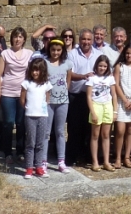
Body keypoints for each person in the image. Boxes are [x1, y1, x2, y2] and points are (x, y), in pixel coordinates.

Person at [0, 26, 33, 165]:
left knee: (21, 123)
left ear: (24, 39)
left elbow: (32, 73)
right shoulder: (5, 54)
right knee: (9, 123)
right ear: (11, 39)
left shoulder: (29, 54)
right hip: (8, 93)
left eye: (20, 37)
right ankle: (7, 152)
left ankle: (20, 151)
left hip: (23, 92)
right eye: (15, 36)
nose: (18, 39)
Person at [65, 29, 102, 165]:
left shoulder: (99, 54)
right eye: (83, 39)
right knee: (74, 128)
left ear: (92, 41)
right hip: (76, 95)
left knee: (90, 128)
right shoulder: (72, 54)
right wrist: (84, 76)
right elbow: (69, 74)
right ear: (79, 40)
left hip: (93, 97)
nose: (86, 42)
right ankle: (71, 157)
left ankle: (88, 157)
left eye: (89, 39)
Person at [20, 58, 52, 179]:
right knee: (30, 143)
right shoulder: (26, 83)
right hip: (30, 116)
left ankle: (39, 167)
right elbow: (22, 99)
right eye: (33, 70)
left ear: (42, 71)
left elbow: (47, 99)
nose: (35, 73)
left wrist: (42, 108)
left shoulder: (46, 84)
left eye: (38, 70)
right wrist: (28, 109)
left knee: (40, 143)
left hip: (43, 116)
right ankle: (29, 168)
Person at [44, 39, 72, 173]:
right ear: (49, 50)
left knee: (60, 131)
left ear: (62, 51)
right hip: (48, 103)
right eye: (53, 50)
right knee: (46, 132)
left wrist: (64, 92)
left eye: (58, 50)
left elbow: (68, 80)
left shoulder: (67, 64)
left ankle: (61, 160)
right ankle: (43, 160)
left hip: (62, 102)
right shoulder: (45, 63)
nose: (55, 53)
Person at [86, 55, 118, 172]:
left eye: (104, 66)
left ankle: (106, 161)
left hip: (107, 106)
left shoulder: (110, 78)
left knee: (106, 135)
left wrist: (115, 111)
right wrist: (93, 112)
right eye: (100, 65)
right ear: (96, 66)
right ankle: (95, 162)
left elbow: (114, 95)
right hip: (96, 106)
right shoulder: (92, 78)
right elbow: (89, 96)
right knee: (95, 135)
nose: (102, 68)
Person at [113, 45, 131, 169]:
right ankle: (118, 157)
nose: (129, 56)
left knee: (130, 130)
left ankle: (127, 156)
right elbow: (116, 84)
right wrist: (125, 100)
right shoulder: (119, 66)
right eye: (127, 53)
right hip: (121, 101)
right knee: (120, 130)